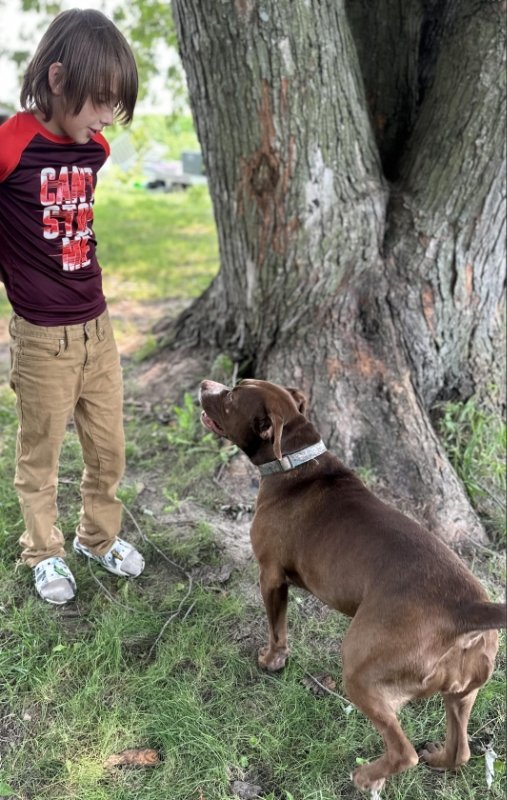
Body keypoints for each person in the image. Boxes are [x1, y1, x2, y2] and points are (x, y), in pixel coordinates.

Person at [0, 8, 145, 604]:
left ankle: (97, 538)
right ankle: (44, 551)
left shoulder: (95, 149)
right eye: (100, 101)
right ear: (58, 80)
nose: (108, 117)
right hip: (42, 340)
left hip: (98, 331)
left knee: (108, 449)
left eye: (116, 104)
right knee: (41, 455)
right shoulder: (10, 144)